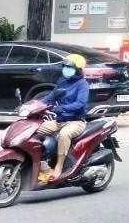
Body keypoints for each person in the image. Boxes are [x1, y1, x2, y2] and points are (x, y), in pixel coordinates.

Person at [37, 54, 90, 183]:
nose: (66, 69)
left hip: (76, 121)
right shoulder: (63, 82)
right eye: (65, 66)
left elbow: (80, 103)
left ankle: (59, 167)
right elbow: (49, 97)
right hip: (59, 120)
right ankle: (42, 161)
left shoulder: (82, 85)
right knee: (35, 130)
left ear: (77, 69)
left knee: (64, 135)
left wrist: (62, 108)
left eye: (69, 67)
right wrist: (34, 105)